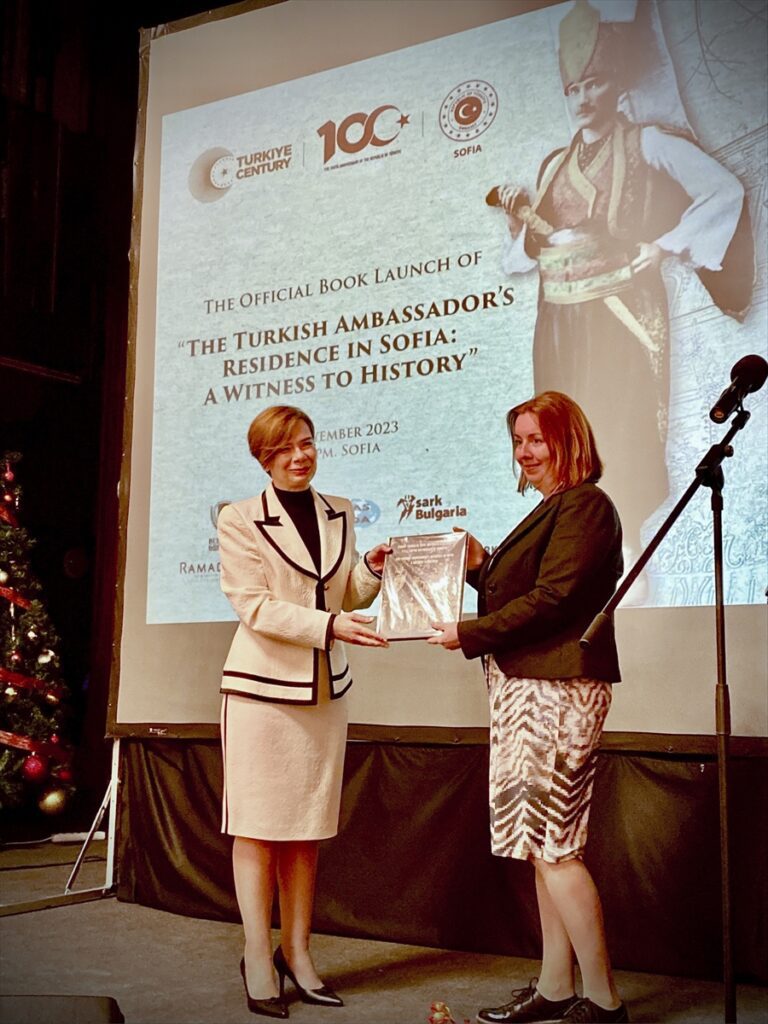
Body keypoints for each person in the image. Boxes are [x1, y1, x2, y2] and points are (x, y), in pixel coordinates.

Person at [495, 0, 752, 578]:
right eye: (574, 89)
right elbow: (523, 259)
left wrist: (662, 245)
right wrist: (520, 227)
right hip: (558, 324)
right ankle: (565, 560)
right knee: (558, 446)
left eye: (595, 84)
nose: (584, 98)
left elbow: (723, 191)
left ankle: (624, 558)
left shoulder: (648, 143)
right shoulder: (554, 165)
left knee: (622, 437)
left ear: (616, 86)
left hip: (620, 318)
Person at [428, 391, 627, 1024]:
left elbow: (555, 598)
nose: (524, 452)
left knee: (556, 846)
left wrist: (469, 632)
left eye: (536, 439)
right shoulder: (552, 509)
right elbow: (523, 591)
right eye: (518, 441)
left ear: (569, 439)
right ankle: (555, 987)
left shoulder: (586, 505)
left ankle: (604, 1001)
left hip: (558, 692)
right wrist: (477, 566)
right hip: (527, 690)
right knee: (544, 846)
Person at [217, 405, 390, 1018]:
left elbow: (345, 595)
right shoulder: (239, 518)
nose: (300, 456)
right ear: (264, 459)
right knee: (258, 827)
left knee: (307, 829)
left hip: (323, 692)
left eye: (308, 443)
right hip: (261, 692)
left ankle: (298, 951)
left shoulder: (339, 510)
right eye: (285, 448)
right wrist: (331, 624)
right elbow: (254, 606)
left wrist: (370, 571)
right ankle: (256, 954)